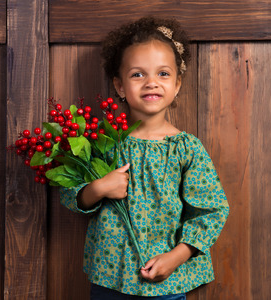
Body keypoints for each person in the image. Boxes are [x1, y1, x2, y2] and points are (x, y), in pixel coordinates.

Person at [60, 16, 229, 299]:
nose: (151, 83)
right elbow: (71, 195)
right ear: (120, 86)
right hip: (110, 278)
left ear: (177, 85)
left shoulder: (186, 149)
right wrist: (98, 188)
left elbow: (212, 210)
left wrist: (176, 256)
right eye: (138, 74)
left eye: (163, 74)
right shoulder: (103, 143)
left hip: (167, 283)